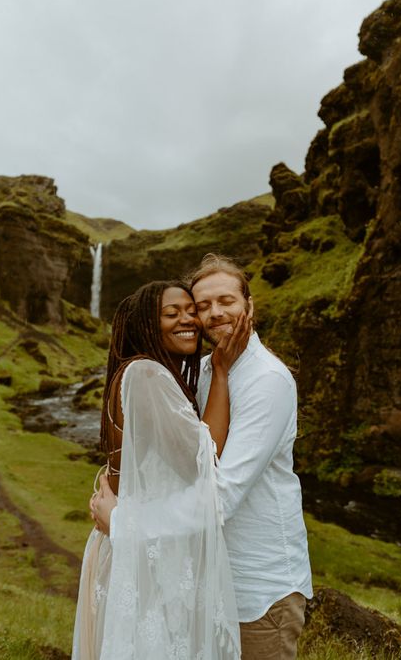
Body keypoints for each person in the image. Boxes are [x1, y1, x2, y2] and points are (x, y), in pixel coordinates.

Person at [72, 280, 249, 660]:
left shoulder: (139, 373)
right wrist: (220, 371)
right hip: (143, 553)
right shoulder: (148, 375)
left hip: (135, 542)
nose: (188, 320)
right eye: (172, 314)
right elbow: (205, 457)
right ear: (146, 326)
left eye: (191, 311)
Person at [189, 254, 313, 660]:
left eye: (226, 300)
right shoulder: (206, 370)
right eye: (202, 305)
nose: (214, 312)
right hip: (211, 579)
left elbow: (220, 497)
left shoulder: (267, 379)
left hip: (259, 586)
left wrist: (126, 521)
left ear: (249, 305)